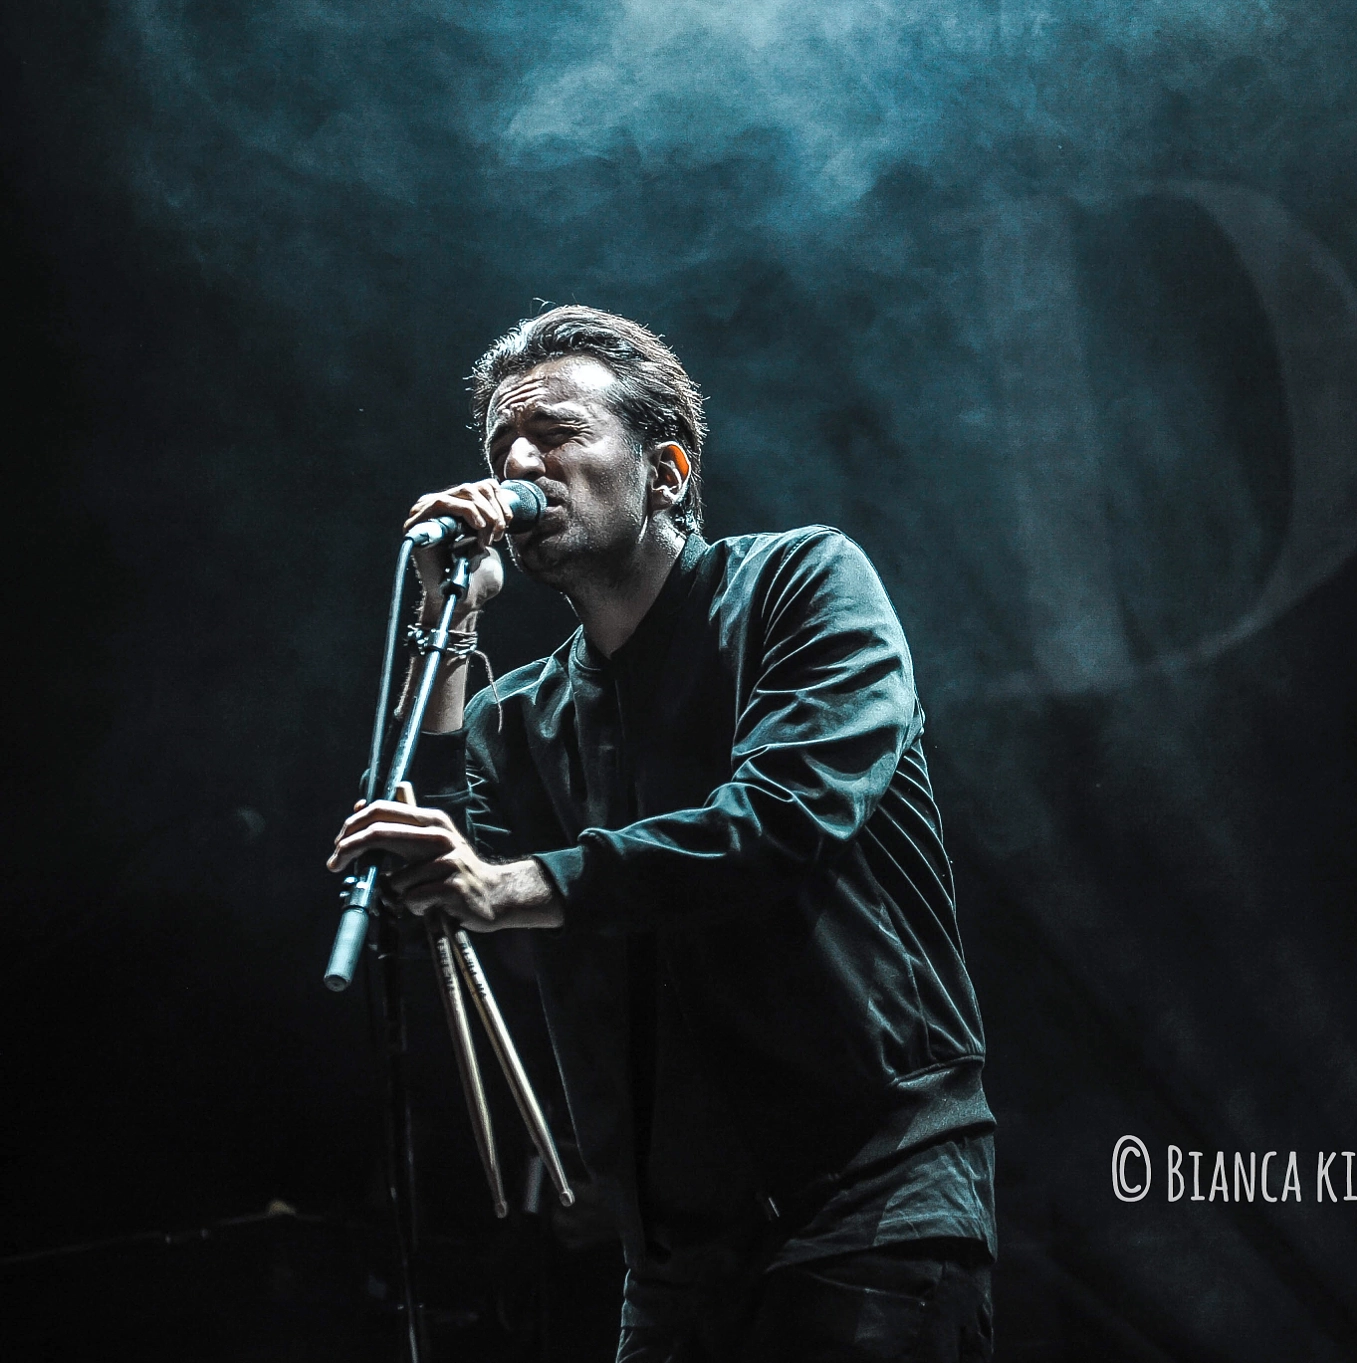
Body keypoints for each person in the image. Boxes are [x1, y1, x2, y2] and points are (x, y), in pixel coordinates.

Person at [328, 305, 995, 1361]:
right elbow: (438, 869)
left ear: (666, 472)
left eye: (554, 431)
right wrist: (449, 623)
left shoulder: (802, 586)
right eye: (502, 440)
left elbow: (782, 818)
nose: (517, 458)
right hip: (675, 1256)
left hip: (867, 1200)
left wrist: (511, 887)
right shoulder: (518, 714)